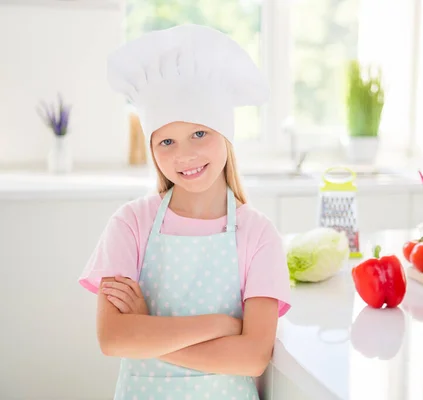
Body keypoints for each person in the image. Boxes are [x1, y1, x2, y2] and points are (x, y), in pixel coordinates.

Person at [78, 24, 292, 400]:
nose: (184, 155)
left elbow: (253, 357)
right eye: (167, 141)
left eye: (199, 134)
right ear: (152, 147)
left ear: (225, 134)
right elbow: (113, 339)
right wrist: (223, 326)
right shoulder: (130, 224)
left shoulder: (258, 234)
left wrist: (147, 333)